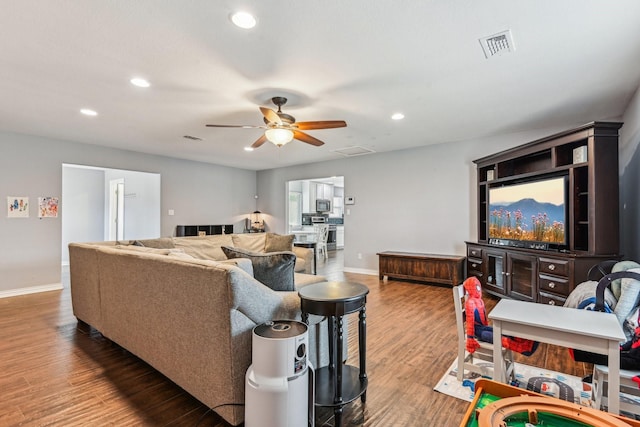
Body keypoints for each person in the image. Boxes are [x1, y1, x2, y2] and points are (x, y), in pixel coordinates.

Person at [464, 276, 538, 356]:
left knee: (502, 332)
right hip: (477, 333)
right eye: (477, 288)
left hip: (482, 328)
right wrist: (470, 338)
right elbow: (470, 323)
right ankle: (524, 348)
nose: (478, 290)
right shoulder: (470, 303)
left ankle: (524, 341)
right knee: (501, 338)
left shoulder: (479, 301)